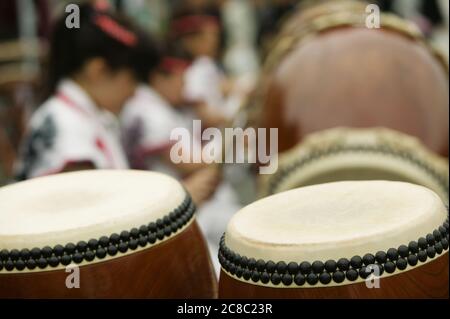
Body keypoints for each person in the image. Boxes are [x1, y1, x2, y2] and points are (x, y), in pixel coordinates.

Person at [15, 3, 158, 180]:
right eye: (133, 81)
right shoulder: (69, 130)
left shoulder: (76, 116)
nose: (134, 93)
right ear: (98, 70)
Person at [121, 52, 221, 206]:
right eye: (180, 80)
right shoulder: (146, 110)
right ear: (158, 78)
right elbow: (187, 163)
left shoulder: (159, 103)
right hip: (159, 205)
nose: (184, 87)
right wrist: (230, 142)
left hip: (175, 196)